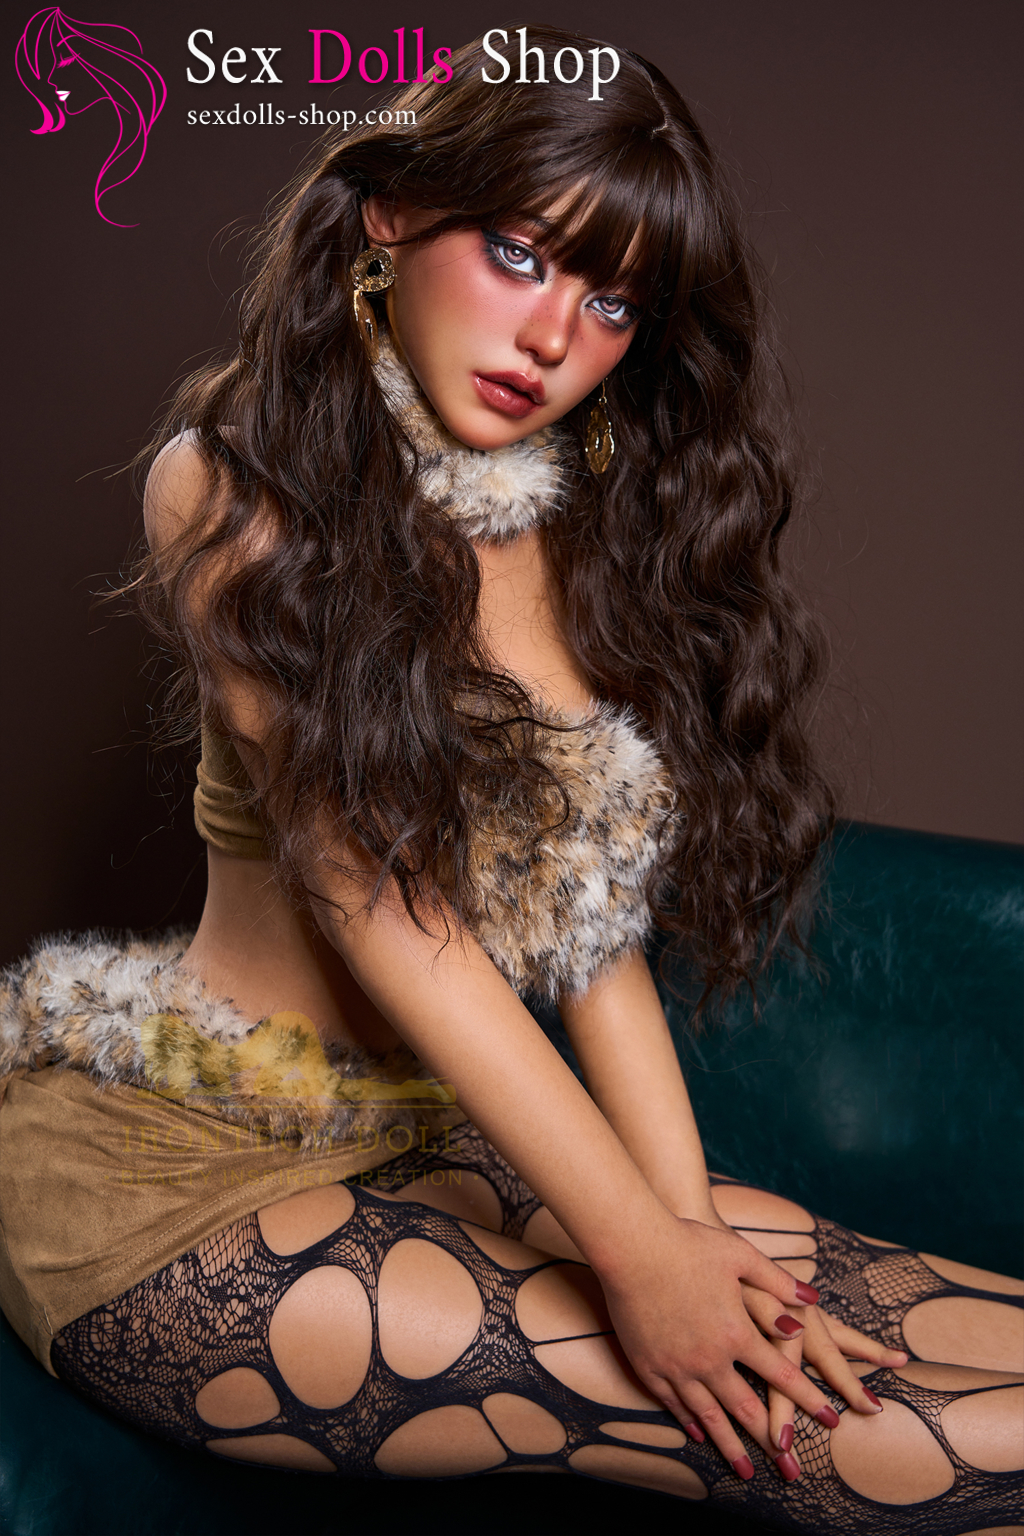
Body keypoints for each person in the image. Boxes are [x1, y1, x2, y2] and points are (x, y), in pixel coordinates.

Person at [1, 25, 1020, 1531]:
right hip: (178, 1183)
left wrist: (680, 1233)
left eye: (611, 303)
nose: (552, 337)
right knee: (854, 1436)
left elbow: (588, 926)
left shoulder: (556, 516)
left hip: (422, 1143)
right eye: (521, 255)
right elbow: (381, 904)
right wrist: (642, 1261)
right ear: (395, 214)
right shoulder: (229, 489)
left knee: (924, 1328)